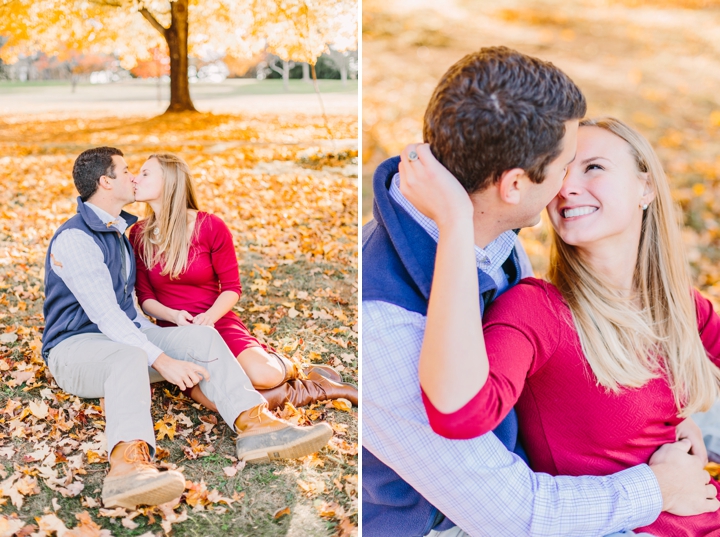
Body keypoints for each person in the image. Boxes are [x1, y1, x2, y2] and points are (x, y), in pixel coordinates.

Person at [361, 46, 717, 536]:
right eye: (566, 165)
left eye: (590, 166)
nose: (568, 186)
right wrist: (660, 487)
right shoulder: (383, 321)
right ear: (514, 185)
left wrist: (666, 418)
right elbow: (510, 513)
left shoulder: (496, 236)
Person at [42, 147, 333, 510]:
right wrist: (164, 360)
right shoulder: (77, 238)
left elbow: (129, 310)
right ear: (105, 182)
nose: (134, 177)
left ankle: (257, 425)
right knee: (128, 354)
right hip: (75, 349)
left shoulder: (118, 231)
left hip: (125, 337)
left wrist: (173, 330)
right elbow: (108, 318)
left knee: (200, 335)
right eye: (127, 170)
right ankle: (127, 467)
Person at [128, 153, 357, 411]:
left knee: (264, 377)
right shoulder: (138, 234)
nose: (135, 178)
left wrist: (209, 317)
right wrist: (175, 315)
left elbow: (231, 288)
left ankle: (289, 367)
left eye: (146, 173)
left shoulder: (210, 226)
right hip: (177, 333)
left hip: (217, 321)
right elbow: (146, 299)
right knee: (230, 403)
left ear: (169, 181)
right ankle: (319, 388)